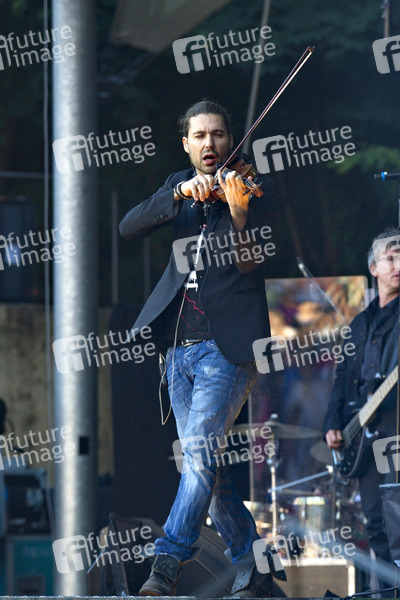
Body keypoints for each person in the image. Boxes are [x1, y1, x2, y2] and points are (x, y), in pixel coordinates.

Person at [119, 99, 280, 597]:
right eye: (200, 136)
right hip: (178, 349)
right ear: (187, 144)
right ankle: (253, 562)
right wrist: (176, 194)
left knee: (199, 456)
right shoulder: (181, 187)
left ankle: (166, 562)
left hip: (226, 349)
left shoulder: (253, 190)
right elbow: (128, 226)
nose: (211, 143)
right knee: (204, 468)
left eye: (219, 134)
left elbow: (250, 264)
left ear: (231, 140)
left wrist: (239, 212)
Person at [323, 227, 400, 590]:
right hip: (362, 437)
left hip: (394, 431)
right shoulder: (360, 324)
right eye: (391, 257)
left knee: (397, 519)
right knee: (376, 523)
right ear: (374, 268)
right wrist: (333, 423)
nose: (398, 264)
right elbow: (342, 378)